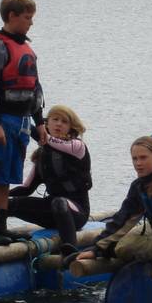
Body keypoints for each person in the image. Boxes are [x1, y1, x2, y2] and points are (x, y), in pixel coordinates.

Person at [0, 0, 47, 247]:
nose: (31, 22)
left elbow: (35, 89)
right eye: (27, 17)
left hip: (21, 122)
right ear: (11, 16)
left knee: (6, 178)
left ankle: (1, 226)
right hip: (2, 120)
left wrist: (40, 123)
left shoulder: (26, 49)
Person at [71, 136, 152, 276]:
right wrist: (96, 248)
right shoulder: (139, 186)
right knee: (121, 245)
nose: (138, 163)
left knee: (125, 247)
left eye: (143, 158)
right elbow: (123, 218)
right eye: (135, 159)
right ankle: (107, 251)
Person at [8, 104, 92, 266]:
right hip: (50, 214)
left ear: (70, 127)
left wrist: (19, 119)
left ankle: (70, 252)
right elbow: (26, 189)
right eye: (55, 120)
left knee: (59, 202)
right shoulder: (42, 155)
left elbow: (44, 139)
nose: (59, 124)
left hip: (77, 213)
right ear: (47, 124)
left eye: (64, 122)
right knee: (5, 205)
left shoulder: (77, 146)